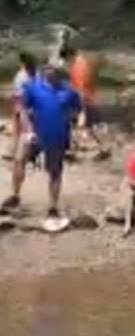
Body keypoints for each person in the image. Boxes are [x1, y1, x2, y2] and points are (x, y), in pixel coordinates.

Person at [10, 63, 82, 218]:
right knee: (19, 160)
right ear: (42, 72)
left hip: (57, 136)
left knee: (55, 172)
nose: (50, 73)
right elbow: (21, 108)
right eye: (47, 70)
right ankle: (15, 196)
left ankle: (53, 206)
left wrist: (72, 121)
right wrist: (28, 128)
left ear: (59, 73)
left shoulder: (69, 90)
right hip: (34, 134)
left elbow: (77, 109)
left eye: (54, 71)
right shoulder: (33, 87)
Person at [3, 53, 38, 211]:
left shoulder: (20, 77)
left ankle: (16, 195)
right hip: (40, 121)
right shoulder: (38, 77)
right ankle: (53, 203)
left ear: (21, 62)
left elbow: (19, 106)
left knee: (19, 160)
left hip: (26, 123)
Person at [67, 47, 110, 159]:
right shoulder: (82, 63)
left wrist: (81, 109)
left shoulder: (78, 67)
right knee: (89, 127)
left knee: (75, 125)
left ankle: (73, 150)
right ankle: (103, 148)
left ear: (69, 56)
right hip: (88, 99)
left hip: (83, 101)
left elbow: (80, 89)